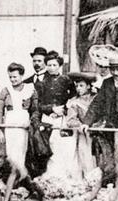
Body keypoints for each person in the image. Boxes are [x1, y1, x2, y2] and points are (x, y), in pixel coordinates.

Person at [0, 62, 40, 178]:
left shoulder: (30, 89)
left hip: (23, 125)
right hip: (10, 125)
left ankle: (20, 180)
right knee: (10, 154)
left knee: (21, 153)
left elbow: (35, 109)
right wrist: (0, 130)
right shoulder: (5, 91)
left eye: (15, 77)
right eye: (10, 77)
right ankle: (10, 180)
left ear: (21, 76)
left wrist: (31, 122)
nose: (12, 80)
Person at [38, 51, 78, 179]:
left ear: (59, 66)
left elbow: (73, 98)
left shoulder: (66, 80)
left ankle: (66, 177)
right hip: (48, 118)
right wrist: (51, 109)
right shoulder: (42, 83)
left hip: (63, 118)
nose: (51, 68)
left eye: (54, 65)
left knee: (65, 147)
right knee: (51, 147)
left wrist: (64, 109)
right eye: (49, 65)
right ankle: (52, 177)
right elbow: (38, 104)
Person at [65, 72, 97, 178]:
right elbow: (70, 120)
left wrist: (98, 125)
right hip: (84, 135)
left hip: (100, 133)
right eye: (77, 86)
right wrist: (80, 126)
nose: (78, 88)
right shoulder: (74, 103)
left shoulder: (97, 99)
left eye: (81, 85)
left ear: (88, 86)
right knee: (86, 160)